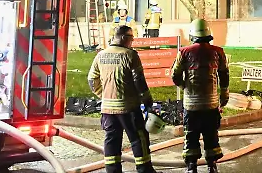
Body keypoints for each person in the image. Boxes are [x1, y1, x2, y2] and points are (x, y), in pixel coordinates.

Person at [87, 25, 157, 173]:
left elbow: (92, 80)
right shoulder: (130, 55)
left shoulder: (101, 55)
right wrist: (148, 103)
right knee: (139, 139)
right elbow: (139, 81)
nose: (132, 42)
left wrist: (103, 94)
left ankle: (112, 170)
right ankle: (145, 170)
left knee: (112, 140)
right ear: (124, 38)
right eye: (131, 38)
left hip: (107, 109)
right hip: (129, 108)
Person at [171, 19, 229, 173]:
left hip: (191, 105)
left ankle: (191, 167)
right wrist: (224, 95)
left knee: (191, 135)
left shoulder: (183, 52)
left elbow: (174, 75)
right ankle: (212, 166)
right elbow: (224, 75)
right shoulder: (218, 52)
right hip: (211, 104)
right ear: (209, 34)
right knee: (211, 135)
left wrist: (184, 86)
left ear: (192, 35)